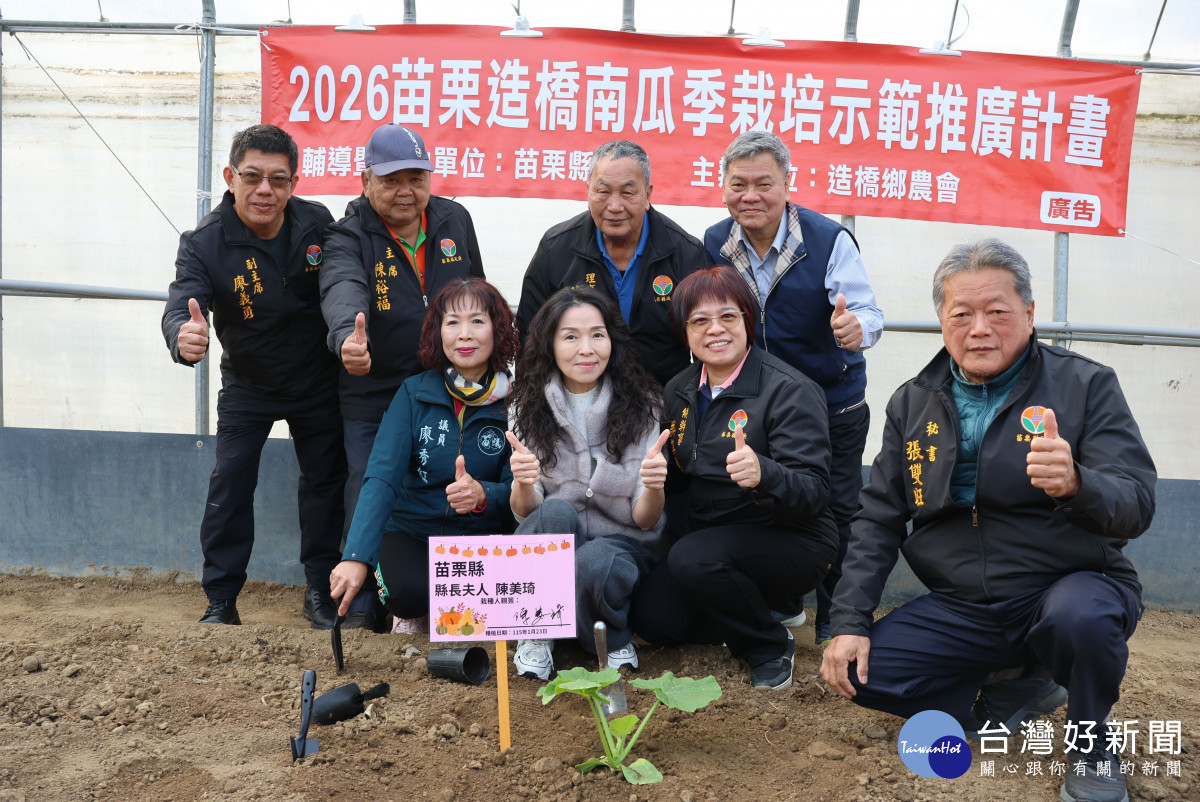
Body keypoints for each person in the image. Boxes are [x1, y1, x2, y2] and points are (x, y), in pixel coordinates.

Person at [820, 240, 1156, 802]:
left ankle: (1092, 744)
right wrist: (849, 618)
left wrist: (1078, 483)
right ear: (942, 322)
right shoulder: (913, 402)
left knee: (1082, 620)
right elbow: (878, 516)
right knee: (853, 671)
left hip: (1064, 586)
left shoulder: (1085, 384)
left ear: (1029, 313)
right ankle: (1011, 686)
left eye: (997, 312)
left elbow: (1137, 503)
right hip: (964, 606)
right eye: (961, 314)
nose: (979, 328)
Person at [162, 124, 345, 629]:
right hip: (249, 384)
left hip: (316, 381)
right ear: (231, 177)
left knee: (325, 484)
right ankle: (221, 598)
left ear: (294, 182)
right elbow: (182, 304)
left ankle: (319, 592)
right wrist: (183, 335)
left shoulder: (316, 223)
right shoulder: (204, 242)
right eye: (253, 177)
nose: (265, 190)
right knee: (232, 481)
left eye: (278, 180)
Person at [705, 130, 883, 644]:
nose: (751, 195)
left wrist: (857, 330)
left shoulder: (828, 239)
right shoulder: (715, 242)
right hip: (759, 407)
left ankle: (838, 617)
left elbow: (867, 312)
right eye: (738, 184)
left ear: (789, 183)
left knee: (839, 507)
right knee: (769, 499)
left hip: (833, 403)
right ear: (723, 188)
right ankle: (784, 604)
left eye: (764, 183)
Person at [631, 266, 838, 692]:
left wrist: (766, 473)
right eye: (699, 321)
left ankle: (767, 645)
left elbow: (815, 493)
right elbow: (682, 477)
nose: (715, 330)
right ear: (684, 331)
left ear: (748, 319)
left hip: (789, 535)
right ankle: (754, 606)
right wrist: (655, 480)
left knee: (693, 558)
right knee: (654, 620)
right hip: (714, 533)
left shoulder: (789, 389)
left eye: (728, 316)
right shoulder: (680, 389)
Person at [320, 123, 484, 630]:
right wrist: (349, 337)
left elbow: (475, 293)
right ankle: (360, 601)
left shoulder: (454, 219)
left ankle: (436, 594)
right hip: (374, 388)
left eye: (416, 178)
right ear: (365, 179)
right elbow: (342, 288)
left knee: (451, 480)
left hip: (443, 386)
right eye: (391, 180)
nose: (405, 191)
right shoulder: (348, 236)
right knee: (369, 484)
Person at [329, 278, 518, 625]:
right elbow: (381, 477)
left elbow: (521, 488)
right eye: (452, 323)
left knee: (484, 604)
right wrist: (355, 556)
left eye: (478, 321)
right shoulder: (413, 393)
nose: (465, 334)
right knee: (408, 594)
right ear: (437, 332)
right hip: (413, 532)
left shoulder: (516, 402)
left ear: (498, 329)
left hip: (480, 539)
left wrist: (482, 495)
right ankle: (417, 611)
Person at [506, 286, 668, 680]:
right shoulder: (524, 407)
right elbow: (529, 514)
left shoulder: (644, 405)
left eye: (597, 334)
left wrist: (655, 485)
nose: (586, 348)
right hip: (556, 537)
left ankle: (610, 637)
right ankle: (537, 631)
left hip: (623, 545)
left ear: (612, 340)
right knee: (555, 511)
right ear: (550, 343)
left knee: (596, 562)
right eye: (571, 336)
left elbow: (645, 520)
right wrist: (524, 483)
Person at [516, 140, 707, 387]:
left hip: (662, 401)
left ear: (647, 195)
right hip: (578, 399)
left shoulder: (685, 253)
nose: (614, 206)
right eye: (603, 191)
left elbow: (705, 338)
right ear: (588, 192)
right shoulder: (556, 248)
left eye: (627, 193)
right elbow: (529, 336)